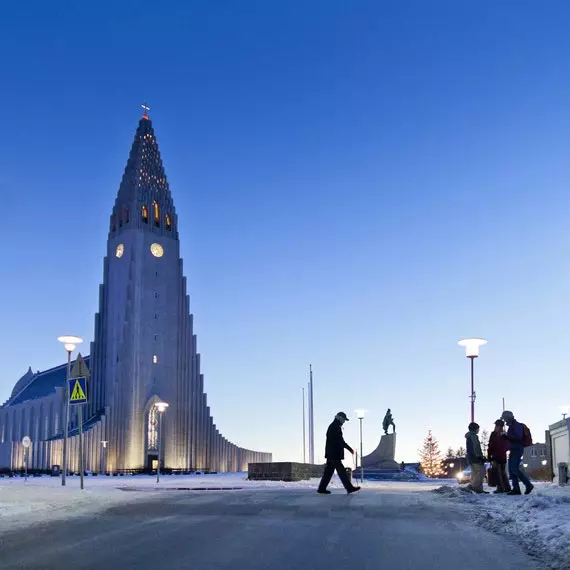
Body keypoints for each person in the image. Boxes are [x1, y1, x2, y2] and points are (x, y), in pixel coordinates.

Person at [317, 412, 361, 494]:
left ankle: (321, 488)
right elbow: (340, 441)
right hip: (334, 454)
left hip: (332, 454)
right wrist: (349, 448)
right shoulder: (334, 427)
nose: (344, 421)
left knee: (328, 472)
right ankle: (349, 488)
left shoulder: (334, 426)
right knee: (341, 472)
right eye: (344, 419)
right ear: (340, 418)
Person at [501, 411, 534, 495]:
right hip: (513, 449)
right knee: (511, 470)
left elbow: (518, 438)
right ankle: (516, 489)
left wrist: (507, 437)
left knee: (514, 469)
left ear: (508, 418)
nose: (505, 421)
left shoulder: (516, 425)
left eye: (505, 419)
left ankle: (528, 485)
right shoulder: (512, 426)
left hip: (517, 449)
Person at [488, 419, 511, 494]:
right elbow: (491, 445)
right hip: (499, 455)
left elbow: (491, 445)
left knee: (500, 473)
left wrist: (490, 454)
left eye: (498, 426)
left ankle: (501, 488)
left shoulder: (498, 434)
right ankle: (506, 487)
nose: (497, 427)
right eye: (497, 426)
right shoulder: (501, 434)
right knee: (502, 472)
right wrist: (489, 454)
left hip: (499, 456)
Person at [465, 422, 488, 494]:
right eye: (478, 428)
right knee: (482, 471)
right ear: (475, 429)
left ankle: (478, 489)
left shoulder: (468, 437)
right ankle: (472, 486)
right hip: (475, 457)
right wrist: (479, 456)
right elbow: (476, 447)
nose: (478, 430)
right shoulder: (473, 436)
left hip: (470, 457)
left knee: (475, 473)